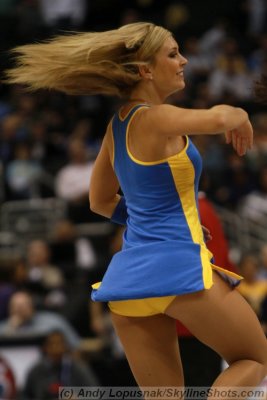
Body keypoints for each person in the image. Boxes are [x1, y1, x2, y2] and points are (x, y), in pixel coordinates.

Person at [5, 22, 267, 399]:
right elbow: (220, 118)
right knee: (252, 358)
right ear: (145, 70)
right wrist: (241, 114)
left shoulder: (117, 127)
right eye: (173, 54)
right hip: (179, 270)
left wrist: (154, 218)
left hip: (129, 286)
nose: (184, 61)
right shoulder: (155, 117)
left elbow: (99, 201)